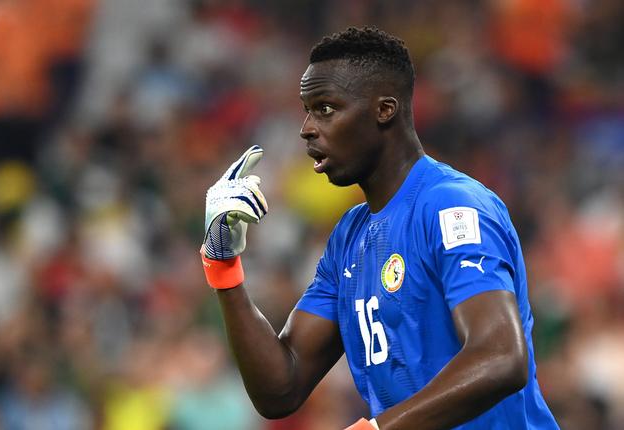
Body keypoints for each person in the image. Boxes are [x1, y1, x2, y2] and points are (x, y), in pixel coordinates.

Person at [199, 26, 559, 429]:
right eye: (307, 109)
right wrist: (223, 264)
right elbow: (280, 387)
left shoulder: (452, 206)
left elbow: (501, 357)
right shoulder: (349, 238)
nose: (307, 128)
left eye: (325, 108)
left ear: (384, 110)